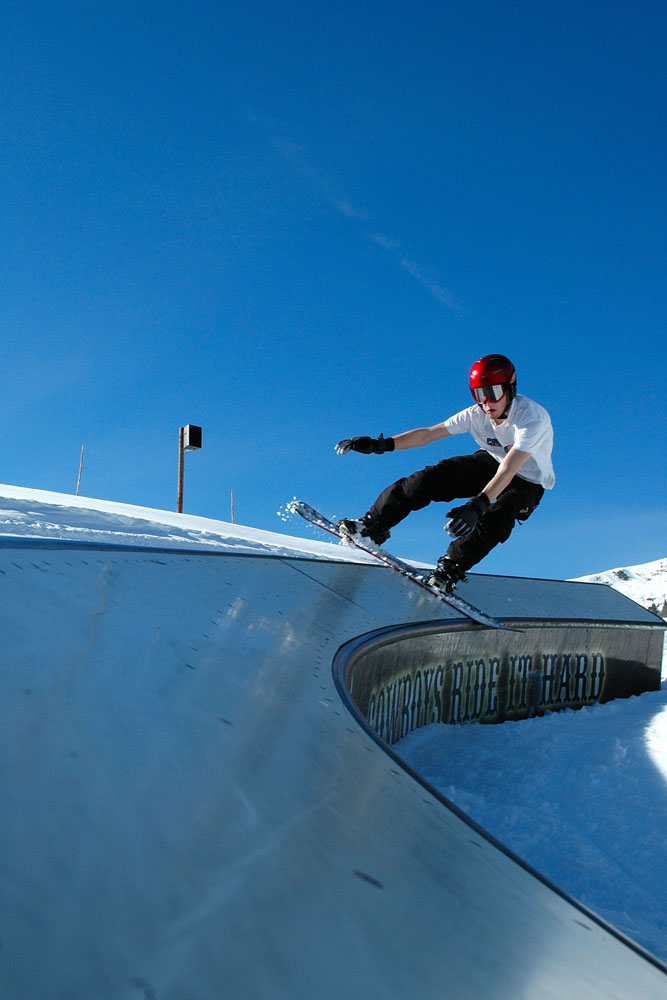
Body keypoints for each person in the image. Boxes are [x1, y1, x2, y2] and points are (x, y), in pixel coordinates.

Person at [335, 354, 555, 593]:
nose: (486, 402)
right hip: (491, 461)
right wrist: (382, 445)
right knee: (431, 478)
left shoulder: (531, 418)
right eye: (479, 394)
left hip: (527, 481)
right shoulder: (475, 415)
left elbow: (511, 468)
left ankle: (452, 568)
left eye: (492, 393)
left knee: (498, 514)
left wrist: (479, 504)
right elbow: (428, 434)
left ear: (510, 388)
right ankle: (373, 526)